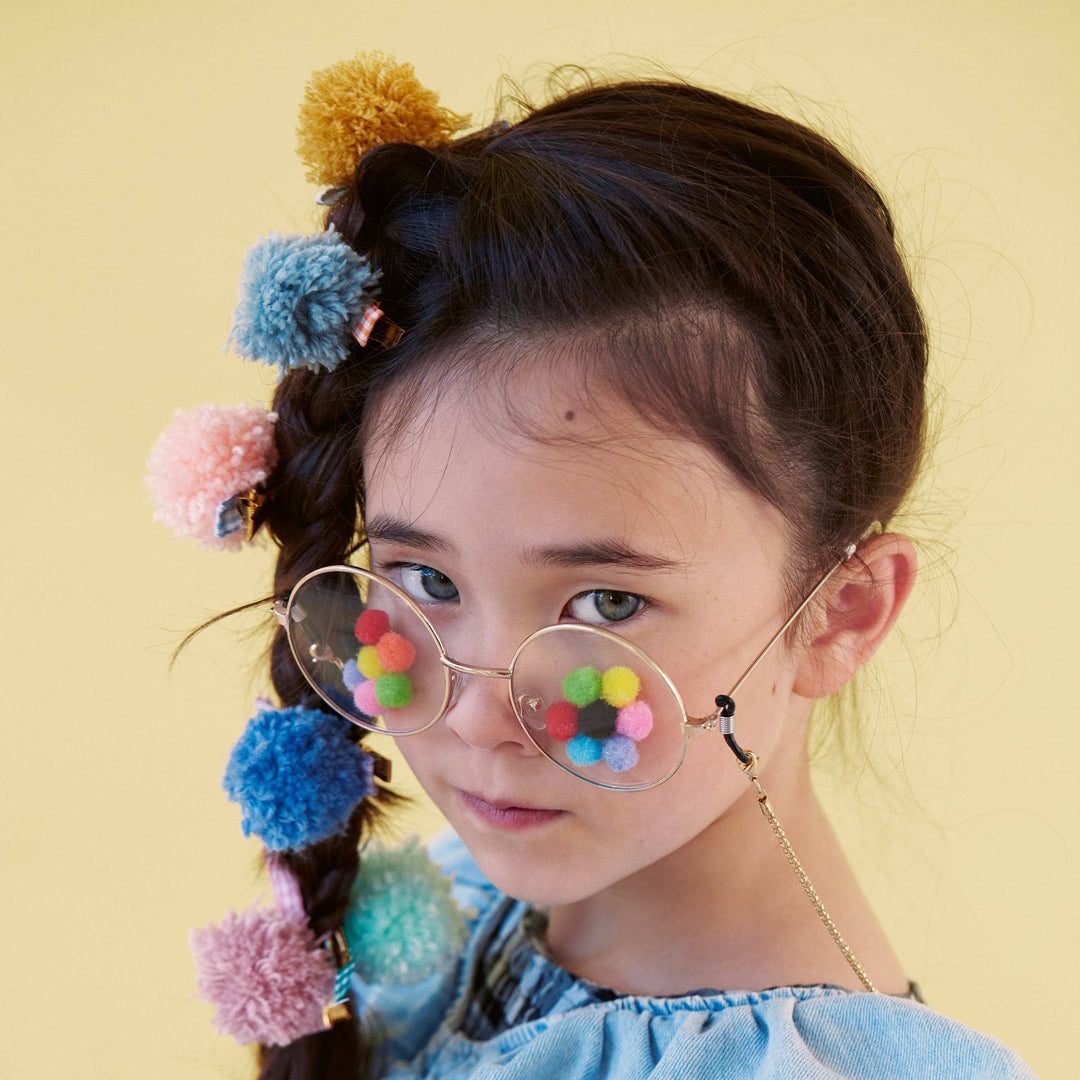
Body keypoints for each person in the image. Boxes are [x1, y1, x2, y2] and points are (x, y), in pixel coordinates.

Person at [151, 53, 1037, 1080]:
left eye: (606, 602)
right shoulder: (449, 914)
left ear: (841, 613)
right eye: (427, 581)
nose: (478, 718)